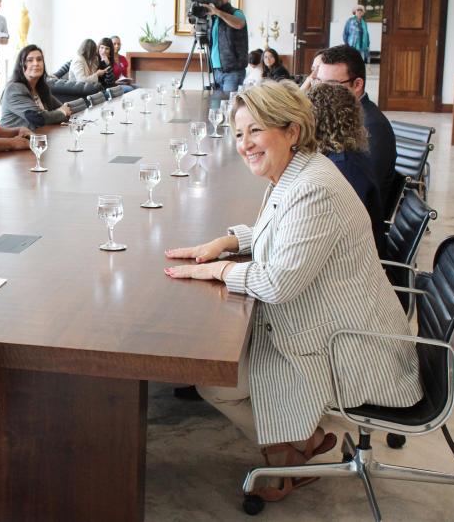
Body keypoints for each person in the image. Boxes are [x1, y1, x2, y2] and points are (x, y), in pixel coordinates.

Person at [163, 80, 421, 502]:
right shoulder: (300, 171)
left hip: (351, 346)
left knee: (218, 382)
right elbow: (283, 233)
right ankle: (299, 446)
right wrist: (228, 242)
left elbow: (278, 282)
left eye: (256, 131)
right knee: (224, 370)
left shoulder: (313, 187)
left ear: (292, 131)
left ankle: (293, 454)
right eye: (240, 133)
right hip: (338, 323)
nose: (245, 144)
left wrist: (221, 269)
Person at [307, 82, 386, 255]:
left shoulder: (344, 167)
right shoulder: (345, 154)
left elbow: (334, 227)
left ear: (318, 121)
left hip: (356, 258)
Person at [317, 45, 397, 209]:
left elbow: (359, 191)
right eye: (318, 82)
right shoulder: (338, 116)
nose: (320, 93)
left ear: (357, 84)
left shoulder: (372, 126)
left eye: (330, 85)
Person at [0, 44, 72, 130]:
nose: (36, 63)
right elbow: (37, 117)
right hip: (14, 138)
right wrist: (62, 112)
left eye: (39, 59)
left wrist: (63, 111)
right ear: (21, 65)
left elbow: (64, 108)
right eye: (30, 60)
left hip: (38, 136)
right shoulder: (14, 89)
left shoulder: (41, 88)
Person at [202, 0, 248, 91]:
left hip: (233, 71)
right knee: (216, 102)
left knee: (229, 101)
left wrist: (217, 12)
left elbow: (239, 24)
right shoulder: (213, 18)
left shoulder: (236, 12)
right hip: (216, 71)